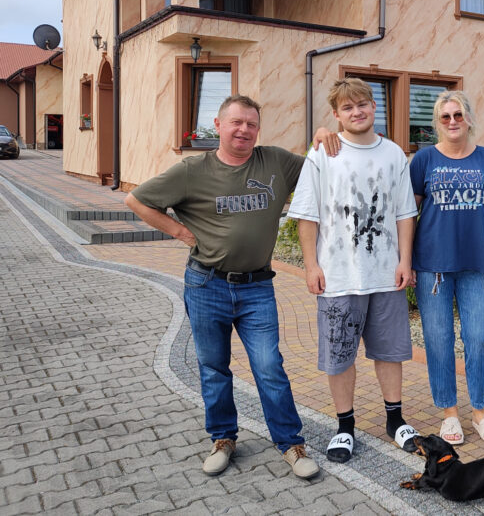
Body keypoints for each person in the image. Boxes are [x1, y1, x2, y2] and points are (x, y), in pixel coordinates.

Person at [126, 95, 339, 479]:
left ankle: (291, 444)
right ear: (218, 125)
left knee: (269, 367)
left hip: (257, 286)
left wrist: (322, 136)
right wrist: (178, 231)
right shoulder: (192, 170)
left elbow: (320, 167)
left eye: (251, 125)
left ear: (258, 130)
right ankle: (223, 438)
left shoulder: (274, 161)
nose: (244, 130)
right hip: (207, 284)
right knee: (214, 368)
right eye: (236, 122)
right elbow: (136, 199)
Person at [287, 78, 420, 464]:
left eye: (363, 104)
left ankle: (395, 421)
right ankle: (344, 427)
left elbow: (404, 214)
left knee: (389, 352)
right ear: (336, 114)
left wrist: (404, 260)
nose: (357, 112)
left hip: (385, 274)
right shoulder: (322, 154)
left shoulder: (394, 154)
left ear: (374, 106)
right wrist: (311, 266)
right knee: (339, 353)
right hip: (339, 275)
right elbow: (307, 217)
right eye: (348, 108)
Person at [410, 90, 484, 445]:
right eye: (445, 116)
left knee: (479, 338)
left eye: (458, 115)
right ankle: (449, 413)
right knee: (438, 341)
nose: (452, 121)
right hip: (432, 267)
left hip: (474, 266)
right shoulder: (424, 160)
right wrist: (404, 261)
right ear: (437, 123)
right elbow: (409, 215)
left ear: (468, 118)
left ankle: (479, 410)